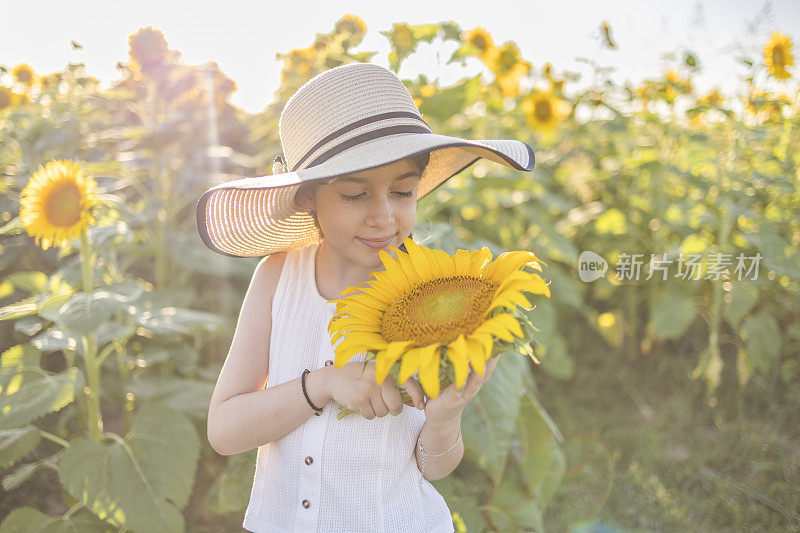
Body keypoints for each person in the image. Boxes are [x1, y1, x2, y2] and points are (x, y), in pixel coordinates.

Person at [196, 62, 536, 532]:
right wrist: (324, 384)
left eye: (402, 192)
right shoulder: (278, 278)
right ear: (308, 199)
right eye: (356, 195)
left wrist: (445, 415)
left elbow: (433, 465)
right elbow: (224, 430)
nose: (384, 217)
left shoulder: (433, 295)